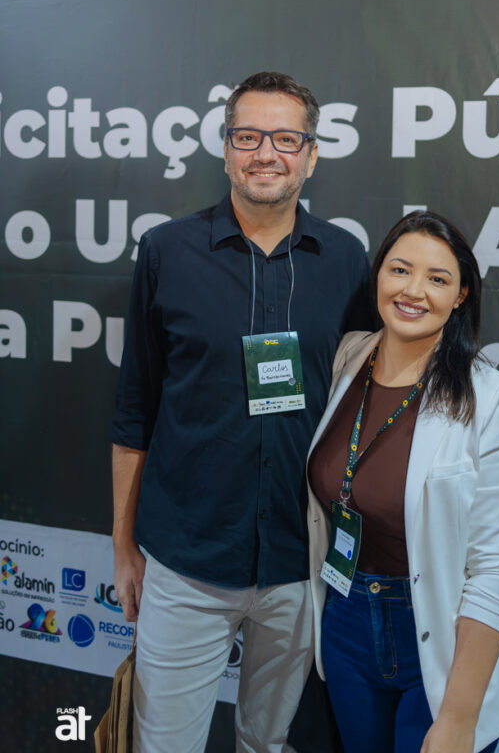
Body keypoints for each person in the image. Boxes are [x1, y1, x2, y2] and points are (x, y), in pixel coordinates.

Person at [110, 72, 371, 753]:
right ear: (226, 150)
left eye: (286, 139)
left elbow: (367, 406)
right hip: (187, 558)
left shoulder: (347, 259)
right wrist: (123, 545)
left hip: (298, 561)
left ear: (311, 155)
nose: (266, 154)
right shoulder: (167, 251)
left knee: (268, 743)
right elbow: (135, 409)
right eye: (248, 137)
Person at [307, 211, 499, 753]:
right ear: (378, 276)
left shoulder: (487, 395)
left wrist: (458, 716)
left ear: (461, 295)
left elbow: (494, 566)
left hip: (442, 628)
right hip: (344, 619)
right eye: (400, 269)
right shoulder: (348, 357)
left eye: (437, 278)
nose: (413, 291)